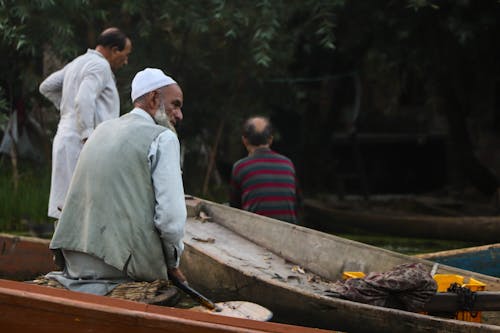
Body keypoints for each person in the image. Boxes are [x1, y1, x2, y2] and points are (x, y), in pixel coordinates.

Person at [47, 68, 186, 295]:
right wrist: (173, 264)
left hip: (73, 261)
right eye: (176, 104)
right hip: (119, 269)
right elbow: (171, 220)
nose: (179, 115)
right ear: (153, 98)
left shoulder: (102, 130)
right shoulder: (163, 138)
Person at [39, 27, 132, 220]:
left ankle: (61, 249)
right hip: (82, 142)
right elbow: (83, 100)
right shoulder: (100, 66)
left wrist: (67, 111)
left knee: (65, 203)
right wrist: (87, 135)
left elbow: (47, 87)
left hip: (67, 135)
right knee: (83, 206)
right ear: (114, 50)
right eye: (125, 54)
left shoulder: (78, 62)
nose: (126, 61)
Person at [229, 116, 299, 224]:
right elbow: (297, 202)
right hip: (289, 231)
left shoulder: (240, 167)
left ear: (244, 140)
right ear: (270, 140)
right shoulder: (288, 164)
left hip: (255, 230)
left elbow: (235, 208)